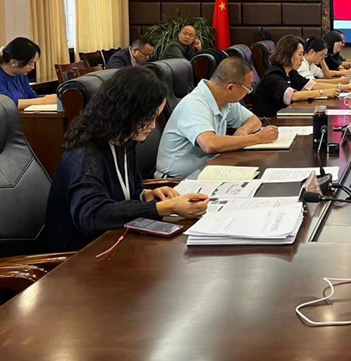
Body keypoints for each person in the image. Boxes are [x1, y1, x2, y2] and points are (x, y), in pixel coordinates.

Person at [44, 68, 210, 251]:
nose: (152, 126)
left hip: (115, 238)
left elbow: (126, 192)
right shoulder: (85, 154)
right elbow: (92, 215)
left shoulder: (124, 139)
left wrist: (145, 195)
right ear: (126, 112)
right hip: (79, 253)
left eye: (155, 117)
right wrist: (165, 207)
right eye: (148, 118)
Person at [156, 57, 279, 178]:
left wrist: (242, 131)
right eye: (248, 88)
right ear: (230, 88)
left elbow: (254, 121)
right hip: (176, 180)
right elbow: (210, 144)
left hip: (209, 168)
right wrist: (257, 138)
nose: (248, 92)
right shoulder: (194, 104)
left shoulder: (224, 100)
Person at [254, 36, 340, 118]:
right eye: (300, 55)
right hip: (270, 120)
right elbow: (293, 96)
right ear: (289, 54)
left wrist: (340, 87)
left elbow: (311, 84)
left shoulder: (291, 72)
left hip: (285, 115)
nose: (302, 59)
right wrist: (322, 92)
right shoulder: (273, 74)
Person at [0, 37, 57, 109]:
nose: (33, 67)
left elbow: (31, 97)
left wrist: (50, 98)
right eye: (30, 63)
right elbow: (6, 104)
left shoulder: (21, 75)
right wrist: (43, 101)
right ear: (14, 62)